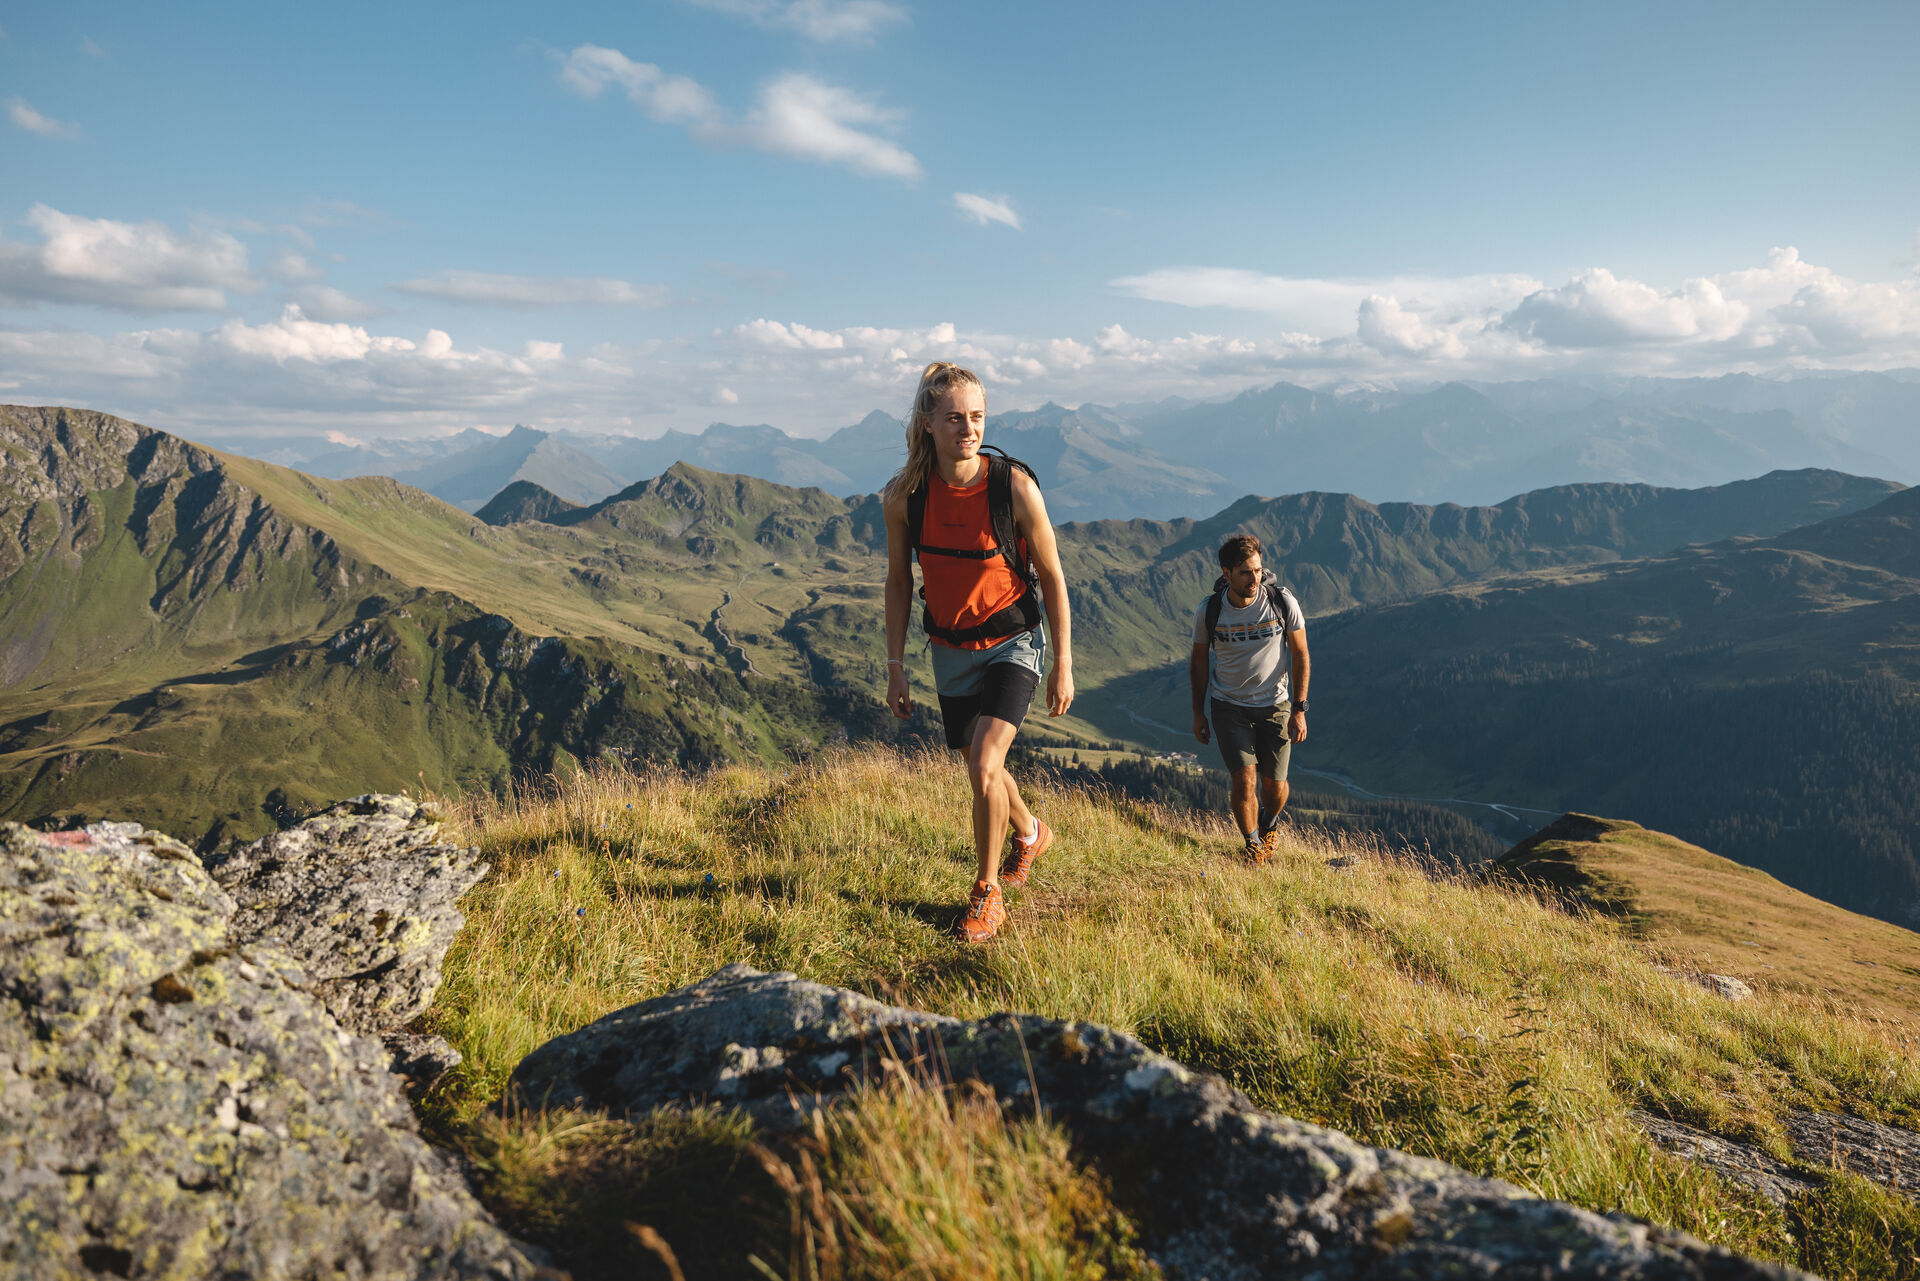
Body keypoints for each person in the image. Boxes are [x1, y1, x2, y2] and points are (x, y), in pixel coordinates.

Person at [884, 362, 1074, 943]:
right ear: (927, 423)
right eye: (954, 418)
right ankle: (1031, 833)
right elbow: (897, 581)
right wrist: (895, 666)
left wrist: (1062, 661)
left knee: (983, 766)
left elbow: (1053, 575)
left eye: (976, 417)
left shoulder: (1013, 486)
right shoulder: (904, 498)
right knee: (980, 765)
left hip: (1014, 641)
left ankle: (986, 893)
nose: (968, 429)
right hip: (950, 648)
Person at [1189, 533, 1310, 863]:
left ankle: (1269, 825)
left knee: (1274, 787)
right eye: (1245, 572)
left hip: (1276, 705)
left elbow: (1300, 654)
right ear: (1226, 574)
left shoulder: (1282, 601)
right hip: (1229, 707)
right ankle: (1254, 847)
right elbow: (1199, 663)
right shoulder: (1210, 611)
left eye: (1258, 570)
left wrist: (1299, 708)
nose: (1254, 578)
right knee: (1244, 781)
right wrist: (1198, 713)